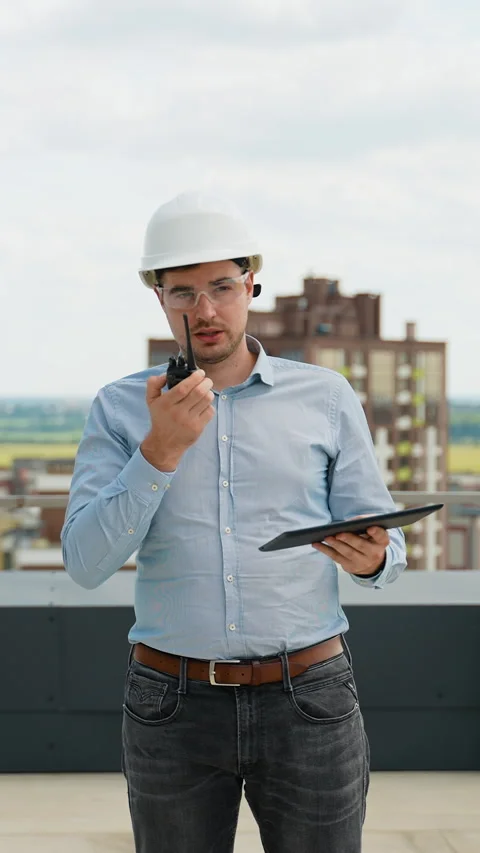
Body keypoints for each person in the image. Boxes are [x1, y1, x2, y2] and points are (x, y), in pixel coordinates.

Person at [61, 190, 407, 853]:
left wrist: (373, 558)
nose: (205, 310)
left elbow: (386, 546)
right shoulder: (120, 408)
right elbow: (84, 562)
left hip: (310, 697)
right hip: (170, 704)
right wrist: (159, 452)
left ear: (251, 285)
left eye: (222, 286)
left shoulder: (325, 397)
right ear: (160, 298)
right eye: (183, 292)